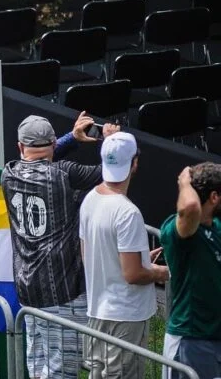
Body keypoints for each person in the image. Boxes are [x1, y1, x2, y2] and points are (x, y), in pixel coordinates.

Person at [1, 114, 120, 379]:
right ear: (53, 144)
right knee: (62, 370)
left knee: (36, 365)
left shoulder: (8, 174)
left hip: (27, 288)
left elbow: (39, 155)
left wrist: (71, 139)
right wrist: (109, 143)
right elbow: (107, 172)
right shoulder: (64, 173)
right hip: (63, 291)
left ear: (20, 147)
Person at [79, 132, 169, 379]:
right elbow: (133, 274)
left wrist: (139, 257)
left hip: (98, 311)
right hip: (125, 318)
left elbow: (89, 253)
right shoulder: (128, 212)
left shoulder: (90, 199)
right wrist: (164, 272)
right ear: (135, 163)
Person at [161, 163, 221, 379]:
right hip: (190, 340)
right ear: (214, 197)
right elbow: (191, 208)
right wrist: (185, 182)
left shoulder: (216, 226)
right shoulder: (179, 231)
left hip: (214, 337)